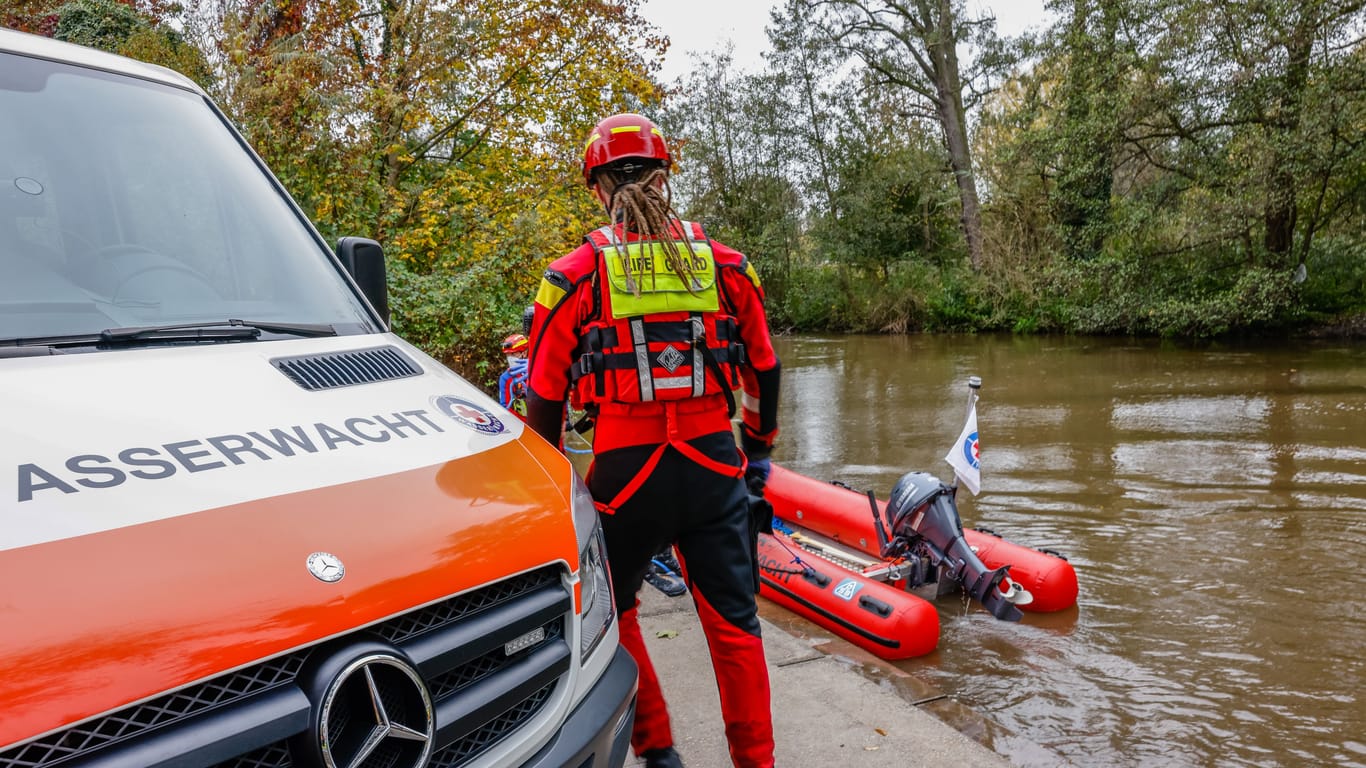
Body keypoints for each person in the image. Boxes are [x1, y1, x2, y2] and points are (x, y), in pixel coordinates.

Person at [525, 113, 782, 768]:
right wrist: (756, 457)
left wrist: (557, 489)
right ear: (665, 178)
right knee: (734, 628)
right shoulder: (727, 266)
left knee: (616, 615)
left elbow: (545, 394)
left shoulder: (573, 276)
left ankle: (660, 751)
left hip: (624, 473)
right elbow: (764, 368)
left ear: (596, 188)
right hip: (712, 465)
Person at [497, 332, 529, 418]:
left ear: (524, 353)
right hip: (521, 425)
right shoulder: (505, 378)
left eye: (513, 354)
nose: (510, 358)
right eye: (507, 355)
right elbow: (504, 407)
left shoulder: (537, 370)